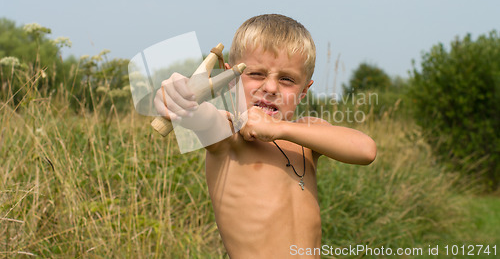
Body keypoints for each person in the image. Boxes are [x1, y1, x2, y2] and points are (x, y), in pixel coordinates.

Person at [154, 14, 377, 258]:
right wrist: (177, 97)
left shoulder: (306, 133)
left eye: (287, 79)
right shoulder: (230, 134)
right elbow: (200, 115)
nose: (270, 88)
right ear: (229, 79)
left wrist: (280, 129)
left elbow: (365, 150)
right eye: (256, 74)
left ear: (304, 91)